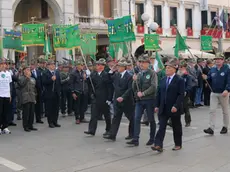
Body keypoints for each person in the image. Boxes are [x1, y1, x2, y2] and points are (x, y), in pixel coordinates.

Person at [151, 58, 185, 152]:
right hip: (163, 106)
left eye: (169, 68)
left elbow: (181, 94)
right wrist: (156, 105)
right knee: (161, 126)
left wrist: (176, 106)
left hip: (174, 107)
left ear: (174, 69)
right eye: (166, 68)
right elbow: (159, 93)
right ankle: (158, 144)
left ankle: (178, 144)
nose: (167, 69)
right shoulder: (163, 79)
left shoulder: (179, 80)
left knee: (176, 126)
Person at [127, 55, 158, 146]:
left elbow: (154, 87)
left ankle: (152, 138)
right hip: (139, 101)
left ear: (148, 63)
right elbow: (134, 88)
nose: (141, 64)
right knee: (136, 118)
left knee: (151, 119)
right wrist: (134, 81)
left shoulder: (152, 73)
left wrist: (144, 93)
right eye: (140, 62)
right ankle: (135, 138)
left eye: (143, 62)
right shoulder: (139, 74)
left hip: (149, 100)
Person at [104, 59, 134, 141]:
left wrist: (123, 97)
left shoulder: (129, 76)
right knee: (116, 117)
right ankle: (112, 134)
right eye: (117, 66)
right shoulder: (116, 75)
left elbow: (130, 89)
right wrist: (111, 70)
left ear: (124, 67)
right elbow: (107, 80)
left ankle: (132, 134)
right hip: (117, 99)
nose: (118, 68)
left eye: (119, 66)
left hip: (127, 100)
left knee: (131, 118)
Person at [84, 58, 113, 136]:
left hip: (104, 98)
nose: (99, 66)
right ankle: (91, 130)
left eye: (101, 65)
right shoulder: (93, 74)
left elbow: (110, 88)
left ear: (104, 66)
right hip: (96, 97)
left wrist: (109, 99)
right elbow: (90, 84)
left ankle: (108, 129)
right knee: (93, 115)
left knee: (107, 115)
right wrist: (87, 77)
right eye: (98, 65)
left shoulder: (106, 75)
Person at [204, 53, 230, 135]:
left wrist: (227, 89)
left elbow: (229, 80)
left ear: (223, 60)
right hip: (214, 92)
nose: (217, 60)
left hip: (224, 93)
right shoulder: (213, 69)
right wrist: (206, 78)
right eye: (216, 59)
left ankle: (225, 126)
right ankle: (211, 128)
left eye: (219, 59)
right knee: (212, 110)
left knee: (225, 110)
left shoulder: (227, 69)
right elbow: (209, 79)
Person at [42, 59, 61, 128]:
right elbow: (43, 82)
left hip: (56, 93)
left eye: (54, 64)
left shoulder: (57, 72)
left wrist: (59, 91)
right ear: (48, 66)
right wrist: (51, 80)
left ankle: (55, 121)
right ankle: (50, 122)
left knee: (56, 108)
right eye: (52, 64)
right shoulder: (45, 73)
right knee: (50, 109)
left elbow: (59, 83)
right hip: (49, 93)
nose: (53, 65)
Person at [19, 65, 37, 132]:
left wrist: (35, 98)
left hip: (32, 97)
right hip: (25, 97)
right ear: (24, 71)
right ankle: (25, 126)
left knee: (31, 113)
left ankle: (30, 125)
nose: (29, 71)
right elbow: (21, 85)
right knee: (26, 113)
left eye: (29, 70)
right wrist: (27, 77)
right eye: (27, 70)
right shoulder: (21, 78)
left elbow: (34, 89)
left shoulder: (33, 79)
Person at [70, 60, 89, 124]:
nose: (82, 66)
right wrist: (73, 92)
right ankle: (77, 118)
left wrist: (86, 78)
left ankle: (82, 117)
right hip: (77, 91)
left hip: (84, 91)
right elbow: (71, 83)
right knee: (77, 105)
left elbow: (87, 81)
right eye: (80, 65)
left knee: (83, 105)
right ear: (77, 66)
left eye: (82, 65)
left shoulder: (84, 72)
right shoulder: (73, 73)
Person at [178, 61, 192, 127]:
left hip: (185, 95)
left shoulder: (188, 76)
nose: (180, 68)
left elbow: (189, 86)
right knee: (176, 108)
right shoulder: (177, 75)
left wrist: (185, 91)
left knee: (186, 108)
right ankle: (172, 121)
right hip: (177, 94)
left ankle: (188, 121)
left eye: (182, 67)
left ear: (185, 68)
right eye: (179, 67)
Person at [0, 58, 12, 134]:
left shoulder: (8, 73)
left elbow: (9, 85)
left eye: (5, 64)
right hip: (0, 95)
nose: (4, 65)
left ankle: (5, 127)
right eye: (2, 64)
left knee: (6, 112)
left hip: (7, 95)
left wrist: (10, 94)